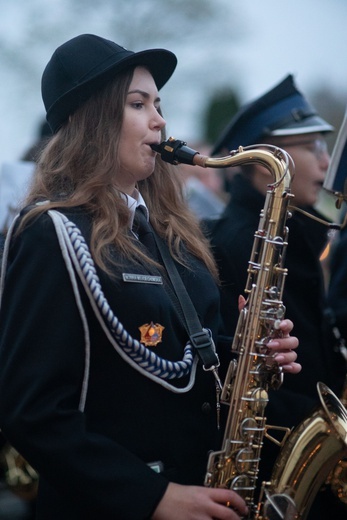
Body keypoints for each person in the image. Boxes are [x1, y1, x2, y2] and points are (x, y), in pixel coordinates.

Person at [0, 34, 300, 520]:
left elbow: (183, 354)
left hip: (200, 485)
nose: (160, 120)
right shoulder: (49, 231)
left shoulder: (169, 231)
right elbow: (31, 412)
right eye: (138, 104)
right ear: (89, 120)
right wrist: (153, 497)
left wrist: (252, 354)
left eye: (158, 104)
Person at [205, 74, 347, 519]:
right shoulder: (239, 241)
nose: (326, 163)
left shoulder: (295, 233)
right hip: (271, 470)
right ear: (265, 162)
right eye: (312, 147)